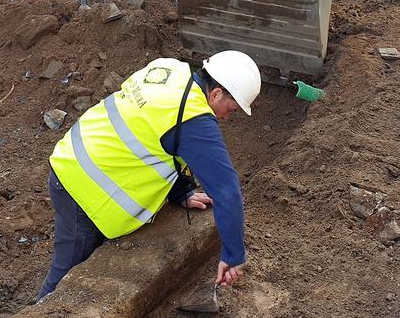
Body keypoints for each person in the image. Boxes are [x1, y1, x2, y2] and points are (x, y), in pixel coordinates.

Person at [37, 50, 261, 300]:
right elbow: (227, 192)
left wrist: (181, 190)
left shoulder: (170, 70)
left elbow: (155, 134)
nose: (226, 117)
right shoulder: (194, 119)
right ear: (216, 93)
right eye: (230, 109)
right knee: (62, 288)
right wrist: (233, 255)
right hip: (83, 189)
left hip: (74, 157)